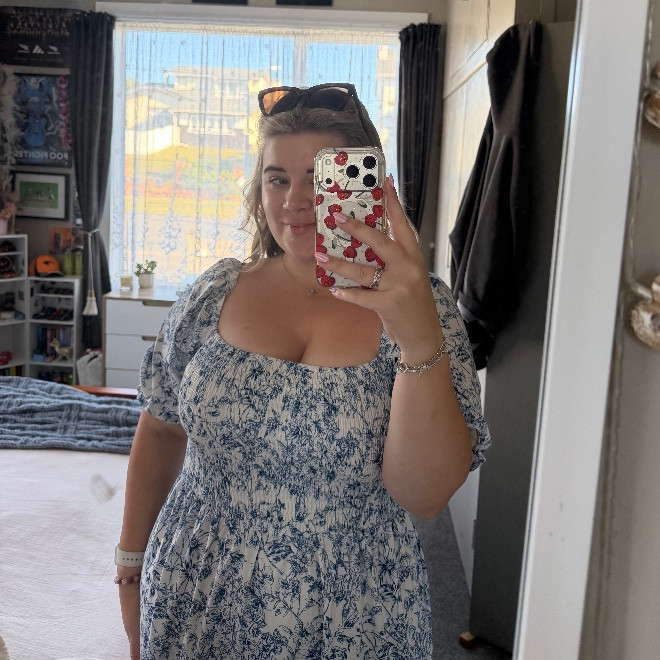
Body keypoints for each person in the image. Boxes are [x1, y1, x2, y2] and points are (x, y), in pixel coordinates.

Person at [116, 82, 491, 659]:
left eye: (320, 180)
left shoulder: (422, 308)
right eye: (277, 179)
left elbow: (425, 496)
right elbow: (162, 424)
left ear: (368, 188)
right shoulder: (215, 293)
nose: (295, 201)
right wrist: (130, 564)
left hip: (353, 610)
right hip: (195, 587)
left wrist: (417, 337)